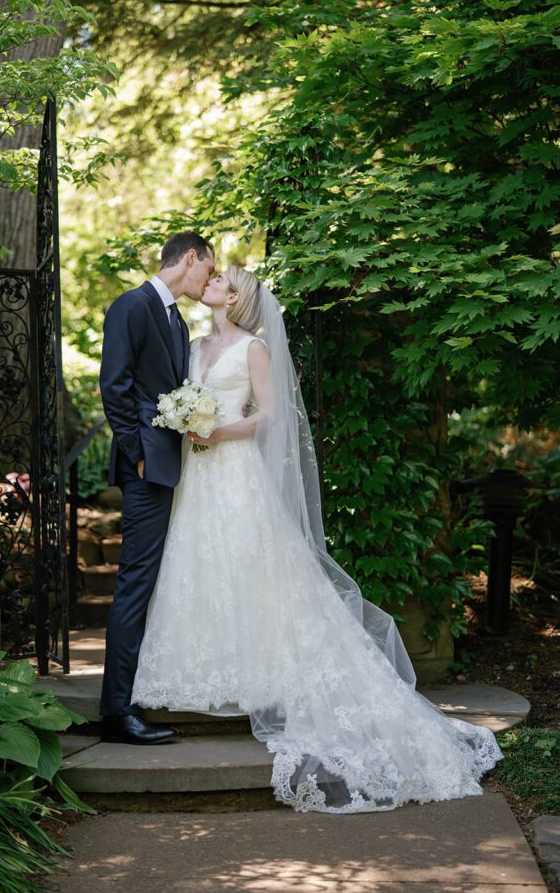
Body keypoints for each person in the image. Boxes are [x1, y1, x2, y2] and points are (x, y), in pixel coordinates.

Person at [132, 264, 503, 813]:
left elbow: (270, 414)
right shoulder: (194, 343)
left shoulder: (254, 348)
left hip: (233, 469)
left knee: (251, 566)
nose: (208, 279)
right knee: (199, 565)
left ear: (233, 298)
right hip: (198, 473)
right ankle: (202, 671)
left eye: (218, 280)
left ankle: (266, 670)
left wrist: (215, 429)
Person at [98, 231, 214, 745]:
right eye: (208, 270)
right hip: (145, 467)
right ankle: (116, 711)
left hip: (169, 464)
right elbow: (114, 387)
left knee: (153, 581)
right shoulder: (133, 305)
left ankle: (135, 693)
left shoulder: (177, 319)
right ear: (190, 259)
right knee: (136, 582)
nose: (208, 280)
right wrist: (137, 454)